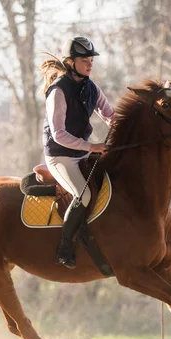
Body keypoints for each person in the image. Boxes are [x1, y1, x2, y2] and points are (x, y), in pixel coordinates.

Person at [38, 36, 114, 269]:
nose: (90, 64)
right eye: (85, 60)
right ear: (70, 62)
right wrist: (92, 147)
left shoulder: (92, 87)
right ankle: (65, 248)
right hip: (60, 156)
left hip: (80, 152)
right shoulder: (58, 91)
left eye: (91, 60)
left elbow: (111, 116)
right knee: (85, 196)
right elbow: (59, 134)